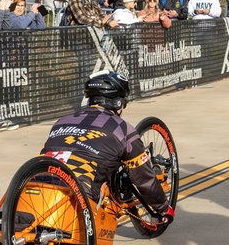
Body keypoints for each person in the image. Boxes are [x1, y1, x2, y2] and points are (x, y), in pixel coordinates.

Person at [41, 72, 174, 222]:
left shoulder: (61, 122)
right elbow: (144, 180)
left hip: (35, 187)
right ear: (118, 102)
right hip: (79, 201)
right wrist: (164, 208)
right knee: (103, 236)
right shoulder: (124, 130)